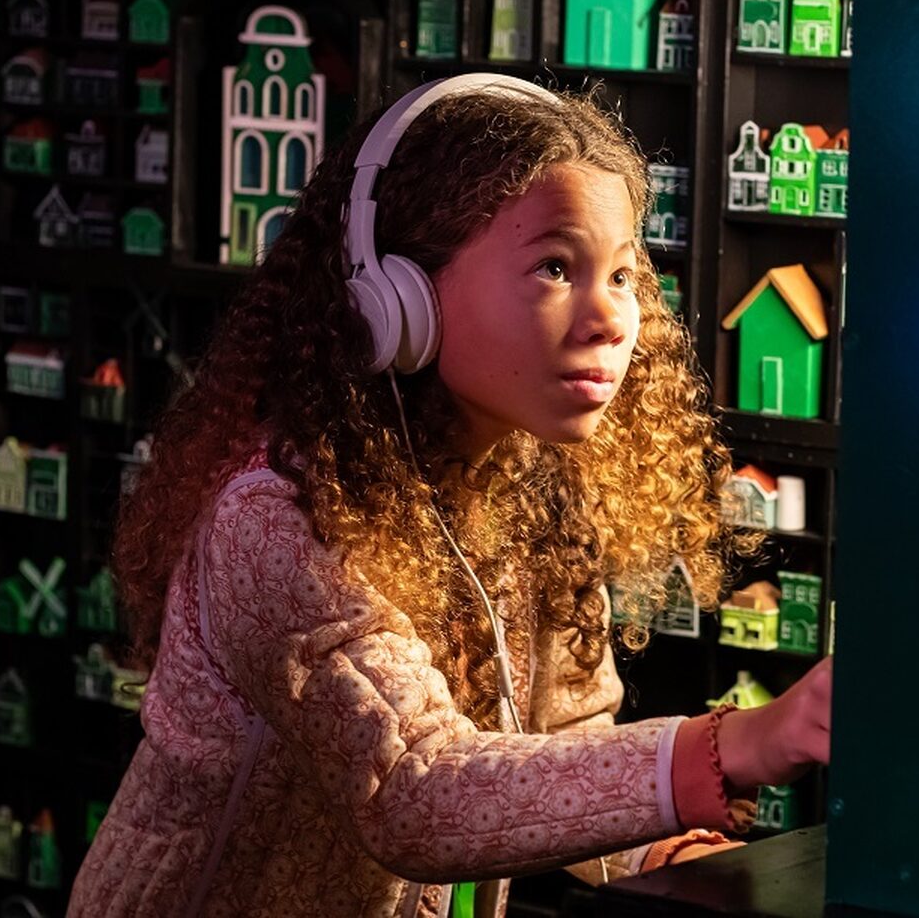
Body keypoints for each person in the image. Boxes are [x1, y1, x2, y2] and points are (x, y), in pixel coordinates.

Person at [68, 74, 833, 917]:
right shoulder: (274, 516)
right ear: (398, 297)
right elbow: (415, 790)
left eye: (621, 274)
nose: (613, 319)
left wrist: (685, 858)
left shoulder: (530, 489)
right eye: (555, 267)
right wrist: (736, 746)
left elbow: (560, 749)